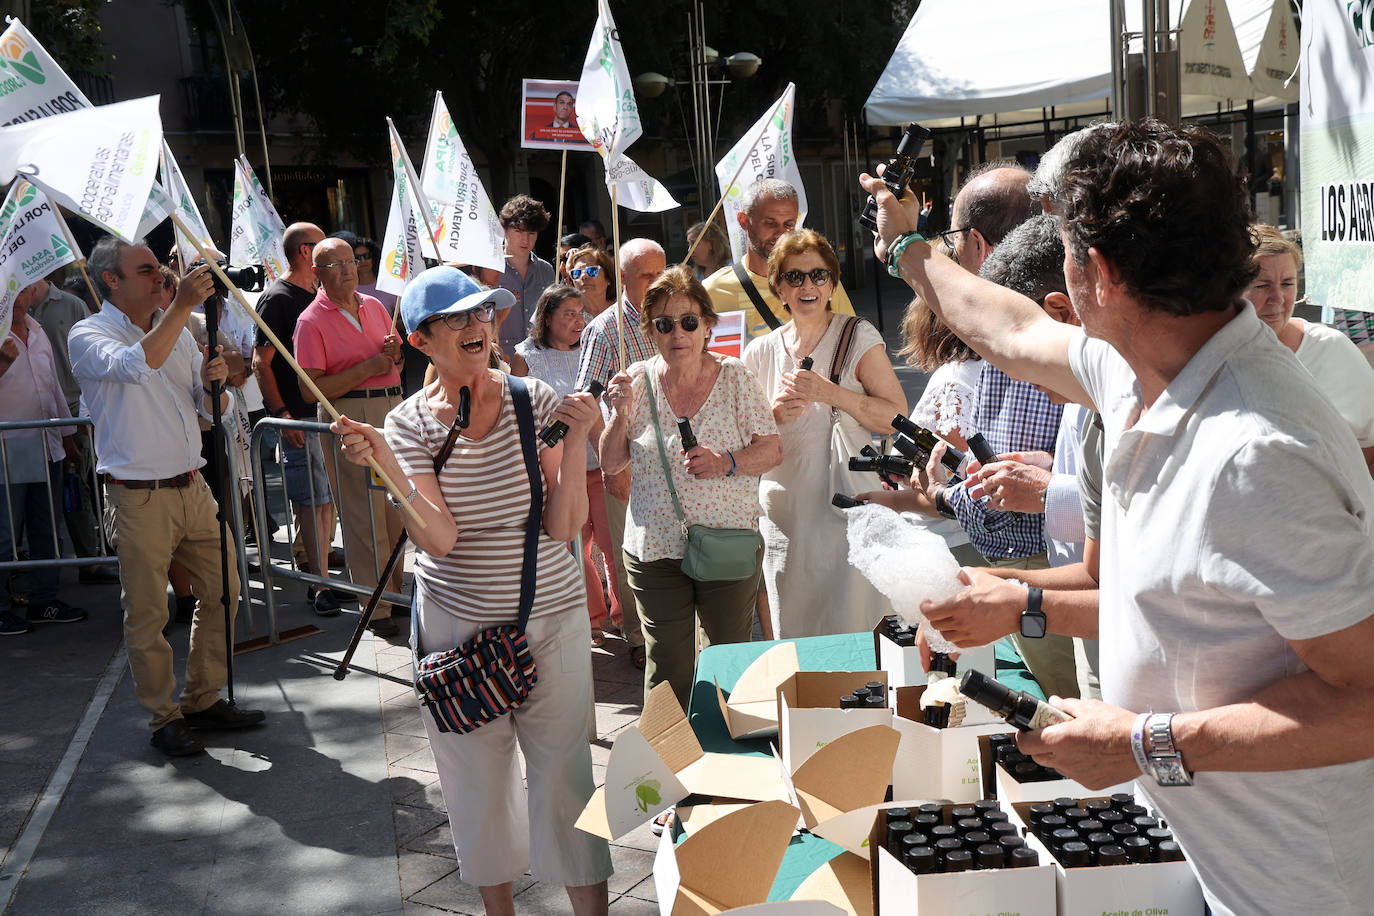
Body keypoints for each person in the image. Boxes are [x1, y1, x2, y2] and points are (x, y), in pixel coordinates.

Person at [864, 118, 1374, 916]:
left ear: (1096, 272)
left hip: (1291, 889)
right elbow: (1010, 324)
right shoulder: (1140, 365)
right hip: (1196, 865)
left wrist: (1144, 742)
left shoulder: (1253, 452)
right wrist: (906, 248)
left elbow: (1368, 696)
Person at [331, 265, 611, 915]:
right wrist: (386, 468)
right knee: (477, 789)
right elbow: (440, 539)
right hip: (457, 629)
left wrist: (575, 443)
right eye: (457, 318)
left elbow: (566, 524)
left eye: (483, 313)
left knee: (566, 781)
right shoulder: (407, 426)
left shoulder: (534, 399)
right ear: (421, 339)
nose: (477, 326)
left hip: (552, 620)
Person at [70, 238, 265, 757]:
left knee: (225, 588)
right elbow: (136, 366)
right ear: (111, 281)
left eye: (160, 269)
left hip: (191, 485)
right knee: (149, 613)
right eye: (147, 271)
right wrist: (180, 308)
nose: (161, 278)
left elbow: (203, 416)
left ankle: (202, 698)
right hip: (139, 498)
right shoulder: (87, 333)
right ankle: (164, 718)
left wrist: (213, 385)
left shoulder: (176, 332)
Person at [601, 265, 781, 707]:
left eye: (688, 321)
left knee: (726, 659)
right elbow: (611, 462)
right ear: (650, 331)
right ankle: (667, 763)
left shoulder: (735, 376)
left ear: (707, 325)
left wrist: (727, 462)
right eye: (664, 324)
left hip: (727, 542)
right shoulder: (635, 381)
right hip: (655, 546)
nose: (677, 333)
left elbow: (773, 449)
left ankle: (733, 756)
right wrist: (620, 414)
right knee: (668, 665)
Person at [742, 230, 905, 638]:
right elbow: (741, 440)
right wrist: (775, 417)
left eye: (818, 275)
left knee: (856, 630)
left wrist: (830, 393)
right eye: (794, 277)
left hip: (848, 509)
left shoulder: (857, 336)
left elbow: (898, 416)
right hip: (787, 518)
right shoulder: (758, 353)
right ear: (778, 288)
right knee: (795, 634)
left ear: (832, 283)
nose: (808, 286)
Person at [294, 237, 406, 637]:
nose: (346, 269)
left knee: (397, 507)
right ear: (317, 273)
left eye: (351, 261)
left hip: (390, 407)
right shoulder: (310, 320)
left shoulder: (374, 305)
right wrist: (370, 365)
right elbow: (311, 389)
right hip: (350, 413)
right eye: (335, 264)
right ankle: (374, 606)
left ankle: (394, 594)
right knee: (362, 513)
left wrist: (395, 354)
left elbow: (392, 362)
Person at [512, 285, 626, 648]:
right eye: (569, 314)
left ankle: (626, 620)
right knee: (574, 547)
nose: (579, 321)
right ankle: (591, 617)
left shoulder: (595, 348)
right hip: (558, 468)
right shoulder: (526, 356)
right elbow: (520, 413)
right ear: (547, 318)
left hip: (602, 463)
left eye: (582, 313)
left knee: (613, 545)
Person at [575, 239, 666, 668]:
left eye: (661, 272)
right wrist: (614, 462)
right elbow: (588, 402)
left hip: (675, 457)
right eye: (647, 275)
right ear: (624, 279)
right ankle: (637, 634)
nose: (657, 282)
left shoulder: (674, 319)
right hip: (627, 457)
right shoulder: (604, 328)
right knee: (631, 548)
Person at [251, 222, 341, 617]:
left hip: (326, 415)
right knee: (312, 499)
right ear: (306, 252)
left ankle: (323, 575)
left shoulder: (318, 294)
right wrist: (282, 414)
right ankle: (318, 584)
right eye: (323, 247)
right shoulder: (277, 298)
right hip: (299, 418)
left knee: (327, 501)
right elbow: (260, 362)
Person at [1245, 224, 1374, 475]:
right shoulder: (1205, 357)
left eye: (1288, 283)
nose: (1279, 298)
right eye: (1262, 285)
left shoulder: (1331, 350)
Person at [0, 280, 87, 635]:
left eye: (21, 291)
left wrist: (66, 438)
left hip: (46, 445)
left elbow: (50, 385)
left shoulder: (36, 329)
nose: (18, 299)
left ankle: (43, 601)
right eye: (9, 293)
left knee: (47, 530)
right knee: (5, 535)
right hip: (7, 451)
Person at [27, 272, 114, 583]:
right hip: (29, 418)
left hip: (74, 413)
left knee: (79, 488)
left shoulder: (72, 304)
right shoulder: (10, 306)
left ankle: (89, 559)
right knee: (34, 497)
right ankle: (30, 569)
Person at [703, 179, 855, 342]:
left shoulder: (820, 281)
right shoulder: (711, 292)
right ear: (744, 221)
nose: (781, 234)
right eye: (770, 223)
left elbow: (851, 344)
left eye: (789, 225)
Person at [497, 195, 556, 357]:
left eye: (531, 233)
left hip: (541, 359)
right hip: (503, 360)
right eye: (518, 231)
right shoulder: (490, 270)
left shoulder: (546, 270)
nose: (525, 239)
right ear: (504, 230)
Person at [352, 236, 397, 316]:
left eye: (367, 256)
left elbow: (402, 319)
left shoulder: (388, 286)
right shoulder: (349, 291)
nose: (363, 261)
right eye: (357, 258)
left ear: (374, 257)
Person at [567, 245, 615, 318]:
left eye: (592, 271)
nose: (583, 276)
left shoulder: (621, 312)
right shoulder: (569, 316)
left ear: (608, 277)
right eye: (577, 273)